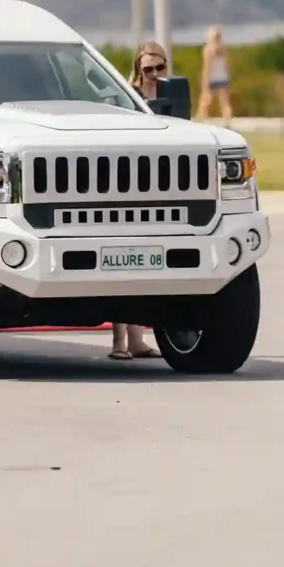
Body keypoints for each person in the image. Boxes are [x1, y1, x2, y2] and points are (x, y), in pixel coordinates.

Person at [108, 41, 167, 361]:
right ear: (138, 69)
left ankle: (138, 339)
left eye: (160, 67)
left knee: (147, 264)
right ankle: (119, 341)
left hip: (162, 185)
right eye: (148, 69)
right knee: (122, 261)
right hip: (131, 185)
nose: (155, 74)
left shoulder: (172, 95)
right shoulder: (127, 97)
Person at [197, 26, 234, 125]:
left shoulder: (208, 50)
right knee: (225, 103)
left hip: (212, 78)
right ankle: (228, 123)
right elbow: (227, 65)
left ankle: (202, 122)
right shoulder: (224, 49)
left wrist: (204, 81)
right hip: (223, 77)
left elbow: (207, 68)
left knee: (204, 103)